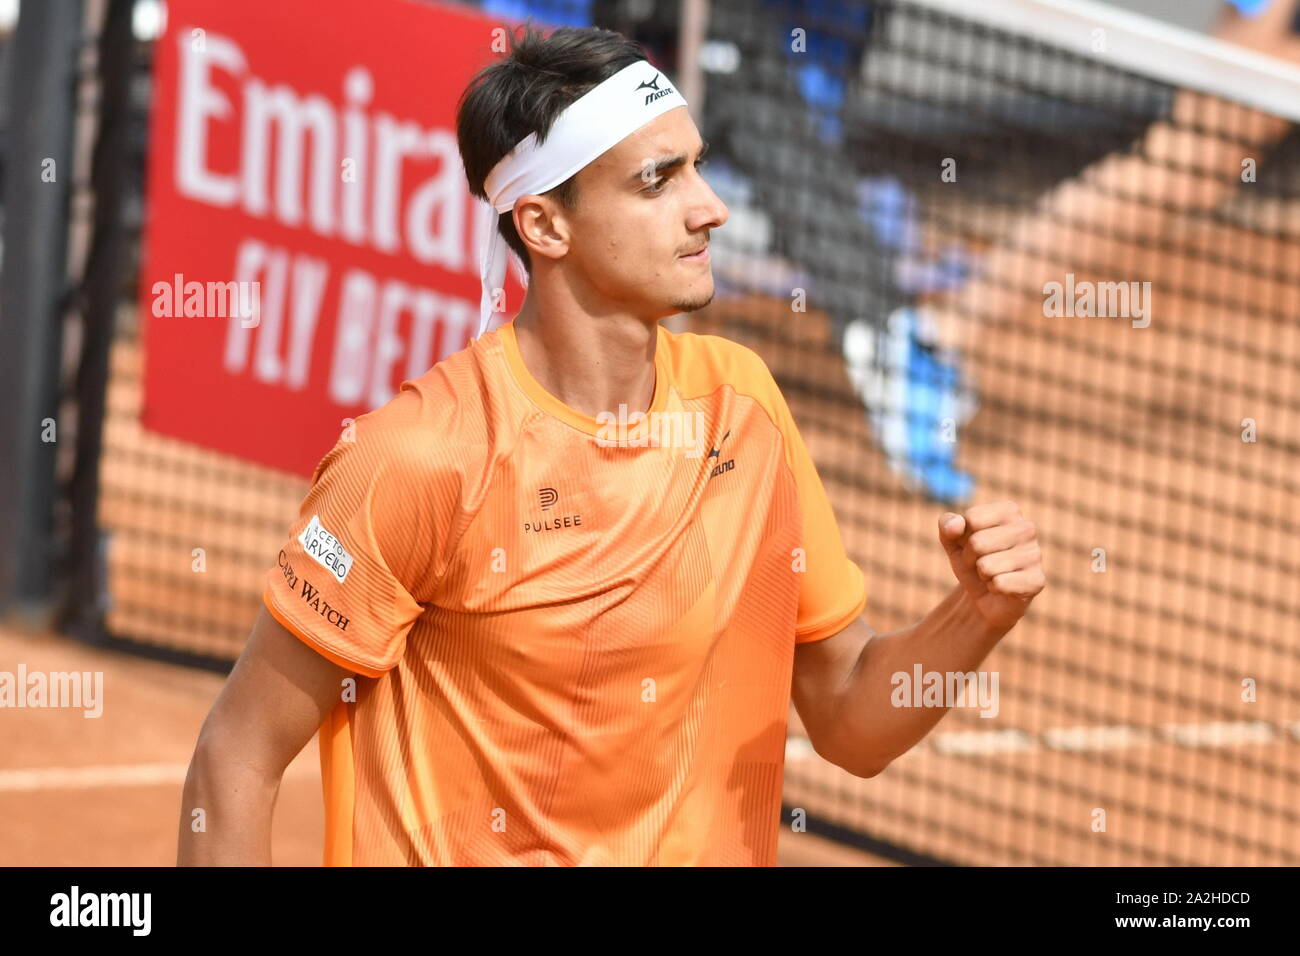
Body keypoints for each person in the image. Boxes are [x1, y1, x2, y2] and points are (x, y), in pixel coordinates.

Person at [177, 22, 1044, 867]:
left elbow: (851, 721)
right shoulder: (419, 459)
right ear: (546, 227)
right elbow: (236, 755)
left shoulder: (743, 409)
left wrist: (975, 614)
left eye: (698, 168)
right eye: (658, 181)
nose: (711, 210)